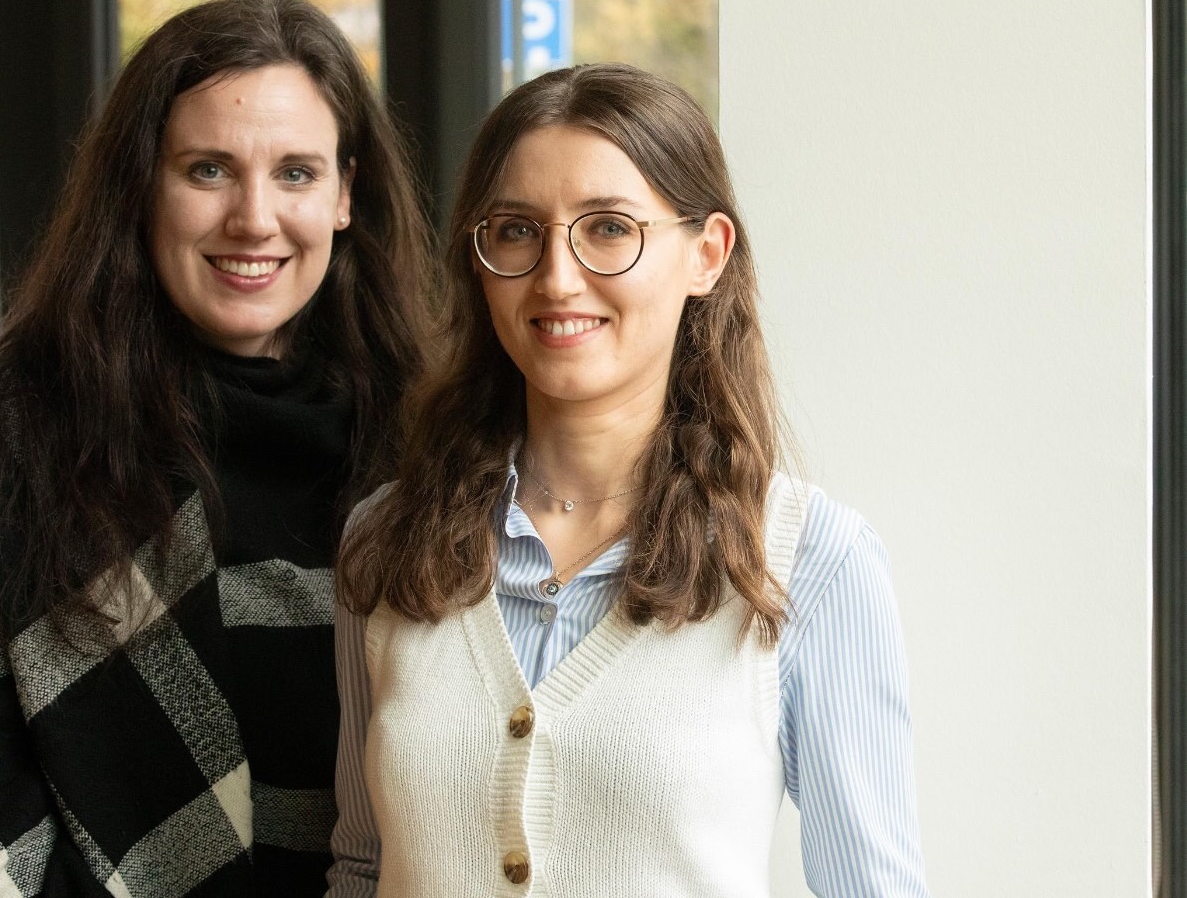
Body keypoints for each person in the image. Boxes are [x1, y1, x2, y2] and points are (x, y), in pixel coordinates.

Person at [327, 63, 930, 897]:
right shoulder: (386, 542)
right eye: (514, 230)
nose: (556, 277)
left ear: (707, 254)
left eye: (608, 228)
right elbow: (362, 867)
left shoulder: (808, 559)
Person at [0, 0, 432, 896]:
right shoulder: (11, 445)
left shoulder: (429, 445)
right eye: (208, 169)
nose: (254, 218)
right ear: (142, 183)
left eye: (295, 172)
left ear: (346, 193)